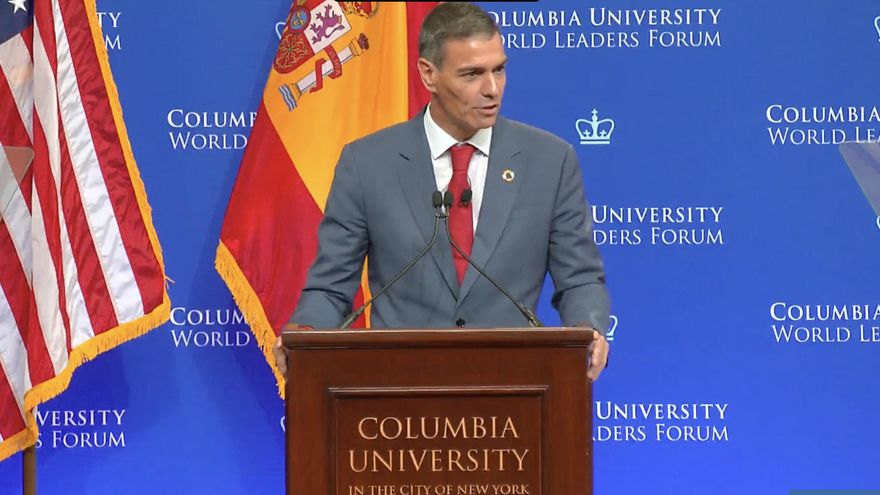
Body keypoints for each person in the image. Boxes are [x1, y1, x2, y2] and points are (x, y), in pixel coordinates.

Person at [274, 2, 610, 380]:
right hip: (398, 397)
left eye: (499, 69)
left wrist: (590, 328)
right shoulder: (367, 164)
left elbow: (579, 279)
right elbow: (331, 288)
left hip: (516, 392)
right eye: (472, 74)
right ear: (428, 74)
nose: (492, 89)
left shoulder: (550, 161)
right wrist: (304, 333)